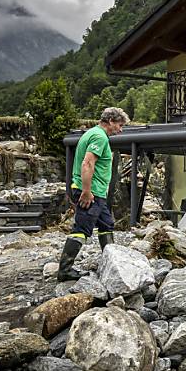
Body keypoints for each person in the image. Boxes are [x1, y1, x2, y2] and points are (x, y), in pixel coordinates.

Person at [57, 107, 130, 281]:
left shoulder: (91, 133)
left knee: (106, 223)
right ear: (111, 121)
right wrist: (87, 191)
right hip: (92, 192)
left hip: (96, 193)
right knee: (82, 229)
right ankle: (65, 271)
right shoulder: (99, 137)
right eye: (120, 125)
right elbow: (87, 164)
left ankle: (112, 262)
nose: (121, 130)